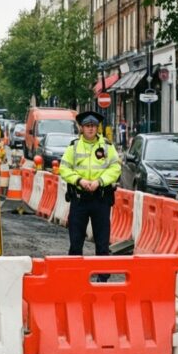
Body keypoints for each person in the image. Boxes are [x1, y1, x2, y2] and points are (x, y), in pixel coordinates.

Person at [57, 111, 121, 261]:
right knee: (76, 243)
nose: (91, 129)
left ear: (97, 128)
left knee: (102, 244)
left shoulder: (107, 146)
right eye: (87, 126)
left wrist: (100, 181)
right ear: (81, 128)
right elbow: (64, 169)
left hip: (101, 198)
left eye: (94, 126)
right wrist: (79, 181)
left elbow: (116, 168)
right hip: (79, 199)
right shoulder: (73, 147)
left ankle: (102, 279)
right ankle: (75, 278)